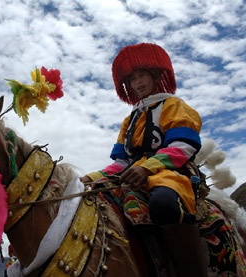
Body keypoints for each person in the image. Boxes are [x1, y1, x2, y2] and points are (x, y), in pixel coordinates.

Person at [81, 43, 207, 277]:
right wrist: (89, 178)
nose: (137, 82)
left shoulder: (173, 105)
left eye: (142, 75)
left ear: (156, 76)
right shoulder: (129, 121)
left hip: (171, 173)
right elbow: (121, 163)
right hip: (131, 175)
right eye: (132, 79)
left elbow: (183, 145)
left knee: (164, 203)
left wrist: (147, 168)